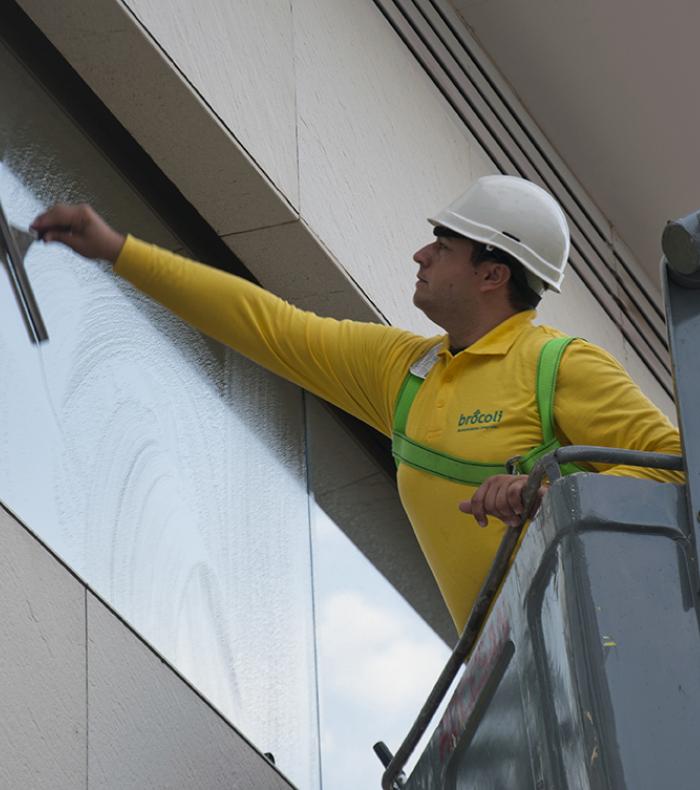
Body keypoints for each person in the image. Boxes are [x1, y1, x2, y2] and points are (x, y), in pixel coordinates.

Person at [32, 175, 683, 634]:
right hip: (518, 679)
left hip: (611, 651)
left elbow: (678, 473)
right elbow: (270, 327)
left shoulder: (558, 365)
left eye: (444, 245)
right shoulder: (405, 372)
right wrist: (119, 251)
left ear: (493, 274)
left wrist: (552, 496)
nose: (420, 254)